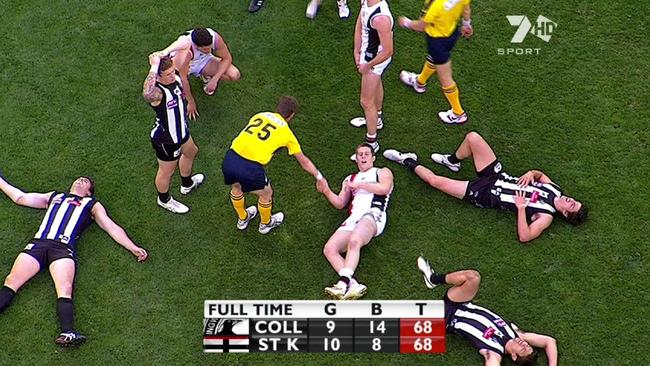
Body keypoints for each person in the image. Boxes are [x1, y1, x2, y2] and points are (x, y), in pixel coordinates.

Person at [0, 172, 148, 347]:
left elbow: (111, 227)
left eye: (87, 182)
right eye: (80, 178)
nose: (82, 180)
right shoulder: (55, 196)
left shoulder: (92, 205)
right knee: (11, 280)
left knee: (65, 288)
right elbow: (20, 197)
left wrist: (132, 247)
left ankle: (68, 332)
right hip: (39, 244)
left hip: (63, 250)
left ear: (88, 193)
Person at [383, 131, 587, 242]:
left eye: (572, 206)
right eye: (574, 201)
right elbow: (539, 175)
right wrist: (530, 173)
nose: (570, 200)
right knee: (473, 138)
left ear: (566, 215)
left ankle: (407, 161)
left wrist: (522, 208)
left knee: (435, 182)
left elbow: (525, 237)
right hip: (498, 176)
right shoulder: (556, 190)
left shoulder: (546, 216)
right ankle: (453, 161)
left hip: (485, 194)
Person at [416, 256, 558, 365]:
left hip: (447, 319)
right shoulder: (518, 335)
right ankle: (433, 279)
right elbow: (549, 341)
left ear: (514, 356)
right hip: (462, 303)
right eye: (528, 346)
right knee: (473, 277)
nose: (524, 344)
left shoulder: (494, 353)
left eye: (523, 349)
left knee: (398, 323)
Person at [222, 96, 323, 234]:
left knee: (236, 187)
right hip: (250, 167)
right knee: (266, 193)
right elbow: (304, 161)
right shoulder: (287, 133)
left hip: (230, 158)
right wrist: (319, 176)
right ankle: (266, 224)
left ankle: (243, 218)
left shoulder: (260, 115)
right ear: (291, 115)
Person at [316, 143, 394, 300]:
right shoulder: (349, 178)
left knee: (355, 240)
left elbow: (385, 188)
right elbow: (340, 203)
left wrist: (358, 185)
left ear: (373, 157)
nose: (363, 156)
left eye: (367, 154)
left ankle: (342, 283)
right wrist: (326, 190)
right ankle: (354, 285)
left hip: (373, 213)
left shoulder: (382, 172)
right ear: (356, 159)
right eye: (360, 154)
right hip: (354, 218)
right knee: (329, 248)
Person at [143, 54, 205, 214]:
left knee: (192, 152)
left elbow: (185, 50)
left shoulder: (175, 77)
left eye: (172, 72)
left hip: (182, 132)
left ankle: (187, 184)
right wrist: (154, 66)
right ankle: (164, 200)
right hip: (166, 140)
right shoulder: (157, 93)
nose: (172, 75)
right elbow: (146, 93)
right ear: (158, 76)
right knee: (166, 172)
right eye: (168, 74)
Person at [397, 0, 473, 124]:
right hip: (451, 33)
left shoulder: (437, 5)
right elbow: (466, 8)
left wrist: (406, 23)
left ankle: (458, 113)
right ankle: (420, 82)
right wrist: (467, 24)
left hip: (437, 41)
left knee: (445, 79)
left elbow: (421, 26)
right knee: (433, 58)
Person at [155, 27, 241, 120]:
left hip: (203, 61)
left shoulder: (215, 38)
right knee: (170, 91)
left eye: (210, 47)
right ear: (196, 46)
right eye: (205, 49)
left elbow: (227, 58)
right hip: (183, 65)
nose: (208, 51)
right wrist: (191, 101)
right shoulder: (186, 53)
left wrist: (215, 79)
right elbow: (183, 78)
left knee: (234, 74)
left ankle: (206, 75)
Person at [348, 0, 394, 160]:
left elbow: (388, 51)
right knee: (376, 85)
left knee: (366, 102)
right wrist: (356, 51)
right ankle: (377, 119)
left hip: (375, 61)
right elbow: (360, 25)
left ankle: (372, 142)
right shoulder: (366, 2)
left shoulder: (381, 18)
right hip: (368, 57)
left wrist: (368, 65)